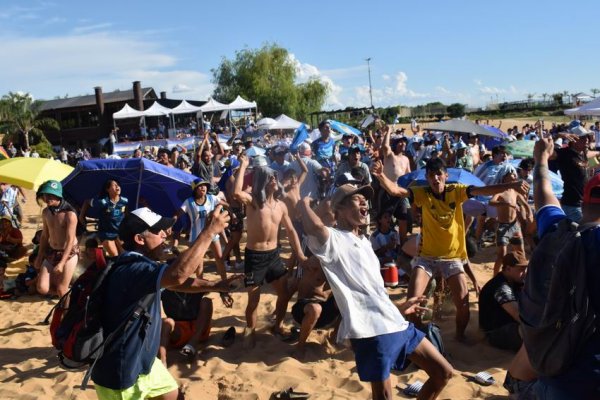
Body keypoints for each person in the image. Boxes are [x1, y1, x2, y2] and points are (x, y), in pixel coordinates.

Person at [298, 184, 453, 400]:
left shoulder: (364, 242)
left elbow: (373, 290)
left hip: (395, 322)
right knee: (384, 397)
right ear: (339, 209)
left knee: (443, 372)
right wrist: (302, 202)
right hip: (371, 331)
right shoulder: (333, 239)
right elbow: (314, 227)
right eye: (357, 199)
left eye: (365, 200)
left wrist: (398, 307)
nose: (364, 203)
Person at [373, 158, 529, 340]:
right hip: (426, 258)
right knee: (413, 301)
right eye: (431, 175)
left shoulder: (456, 191)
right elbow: (396, 190)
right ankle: (414, 339)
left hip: (452, 258)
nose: (436, 179)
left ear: (446, 176)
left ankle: (459, 337)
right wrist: (380, 175)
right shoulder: (422, 193)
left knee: (463, 304)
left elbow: (482, 190)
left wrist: (510, 186)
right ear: (427, 178)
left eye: (439, 174)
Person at [91, 206, 234, 399]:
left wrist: (218, 284)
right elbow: (178, 275)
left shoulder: (142, 265)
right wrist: (209, 232)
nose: (164, 235)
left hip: (146, 362)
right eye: (158, 231)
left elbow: (175, 283)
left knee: (174, 395)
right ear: (140, 239)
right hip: (122, 373)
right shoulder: (132, 269)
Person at [233, 154, 307, 348]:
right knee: (253, 300)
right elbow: (236, 193)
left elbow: (291, 231)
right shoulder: (254, 201)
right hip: (254, 257)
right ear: (263, 181)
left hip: (273, 256)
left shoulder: (281, 205)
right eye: (271, 177)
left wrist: (299, 253)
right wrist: (243, 165)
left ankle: (278, 325)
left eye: (275, 177)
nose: (275, 179)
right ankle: (251, 331)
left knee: (284, 294)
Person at [176, 178, 232, 306]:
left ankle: (224, 283)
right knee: (198, 264)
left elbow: (225, 203)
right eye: (200, 187)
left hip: (212, 235)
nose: (203, 188)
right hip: (197, 237)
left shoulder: (212, 198)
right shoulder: (188, 202)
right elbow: (177, 214)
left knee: (219, 259)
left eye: (205, 186)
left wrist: (224, 208)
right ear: (195, 189)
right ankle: (201, 287)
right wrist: (170, 224)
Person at [34, 180, 79, 298]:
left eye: (50, 195)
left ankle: (67, 310)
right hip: (52, 250)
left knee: (61, 289)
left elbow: (70, 240)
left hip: (69, 252)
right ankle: (69, 294)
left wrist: (62, 262)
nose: (47, 197)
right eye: (45, 195)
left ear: (58, 195)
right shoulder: (46, 212)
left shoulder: (70, 214)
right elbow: (44, 236)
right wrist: (39, 256)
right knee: (42, 288)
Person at [479, 251, 527, 351]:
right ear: (508, 269)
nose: (525, 273)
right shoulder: (500, 287)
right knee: (529, 331)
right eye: (521, 270)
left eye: (525, 269)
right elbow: (518, 314)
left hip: (510, 325)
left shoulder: (516, 281)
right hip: (495, 332)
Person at [489, 165, 530, 275]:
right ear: (504, 176)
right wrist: (505, 203)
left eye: (514, 174)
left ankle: (523, 276)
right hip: (503, 226)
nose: (514, 175)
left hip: (515, 226)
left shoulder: (515, 191)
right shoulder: (500, 190)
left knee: (521, 253)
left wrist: (529, 214)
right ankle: (495, 278)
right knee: (501, 256)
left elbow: (525, 204)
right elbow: (491, 202)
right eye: (511, 174)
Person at [79, 179, 128, 257]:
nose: (117, 187)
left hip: (119, 233)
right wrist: (81, 216)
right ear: (107, 189)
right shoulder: (102, 202)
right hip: (106, 233)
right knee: (116, 256)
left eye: (118, 185)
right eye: (114, 185)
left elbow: (126, 214)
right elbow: (87, 201)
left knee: (125, 254)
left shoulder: (125, 201)